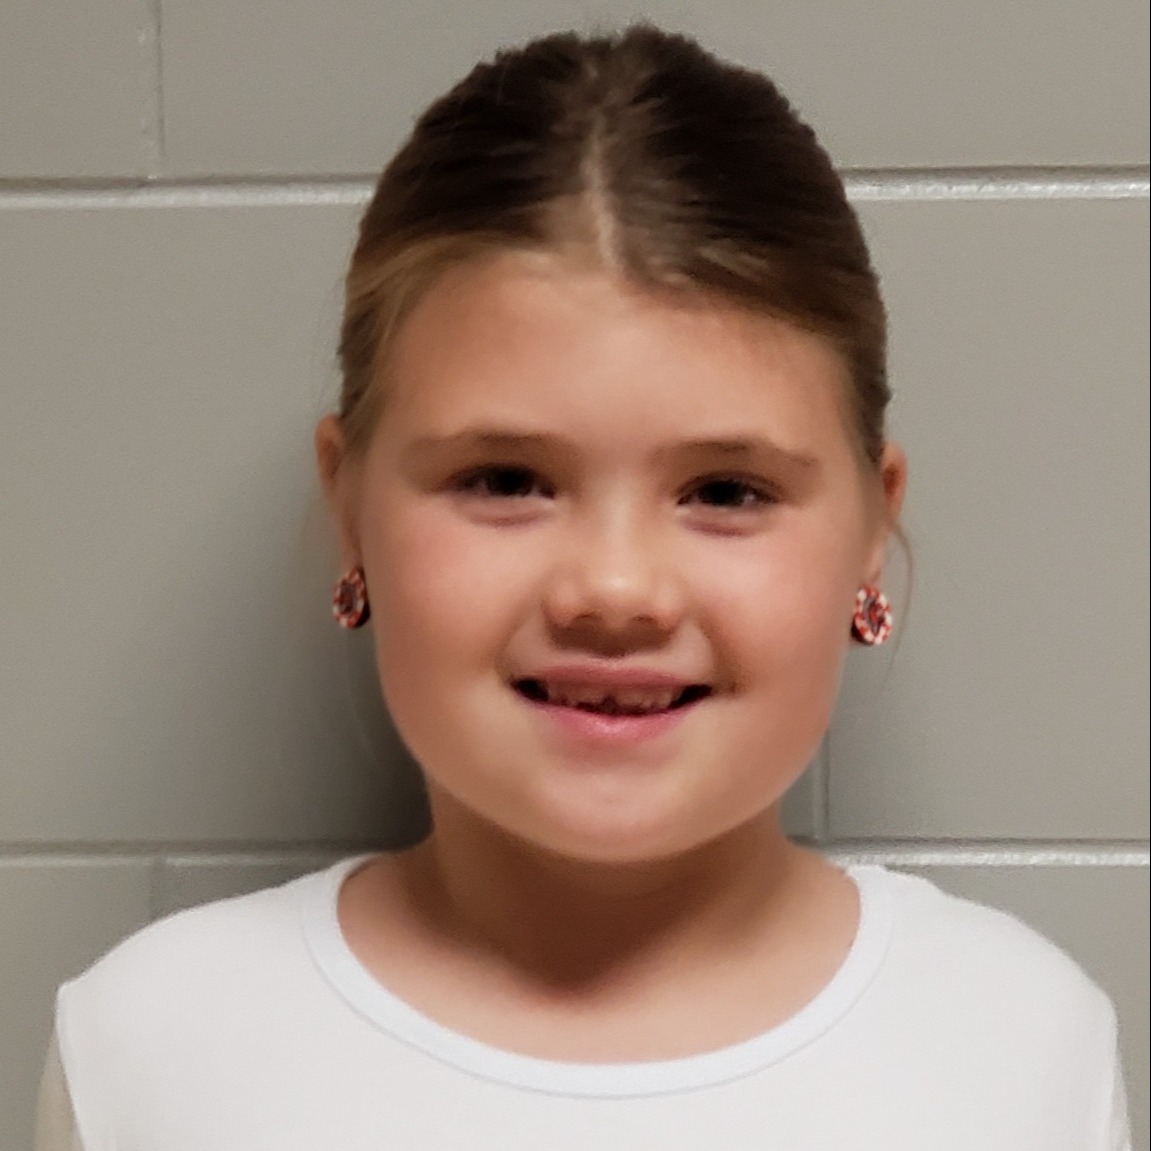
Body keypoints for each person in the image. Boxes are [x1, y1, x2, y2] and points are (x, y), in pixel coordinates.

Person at [36, 25, 1130, 1150]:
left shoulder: (1017, 1044)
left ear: (868, 526)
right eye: (505, 478)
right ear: (349, 502)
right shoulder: (152, 1048)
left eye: (726, 490)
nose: (614, 588)